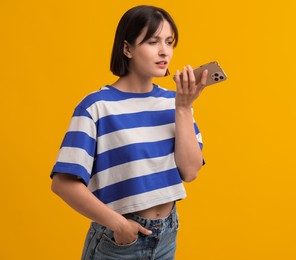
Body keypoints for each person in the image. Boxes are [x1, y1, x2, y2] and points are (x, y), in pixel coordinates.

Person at [50, 5, 207, 259]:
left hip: (167, 235)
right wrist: (119, 224)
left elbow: (190, 172)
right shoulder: (96, 107)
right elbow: (63, 183)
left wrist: (184, 107)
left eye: (169, 42)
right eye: (152, 41)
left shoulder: (175, 102)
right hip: (119, 242)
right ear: (127, 49)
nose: (164, 51)